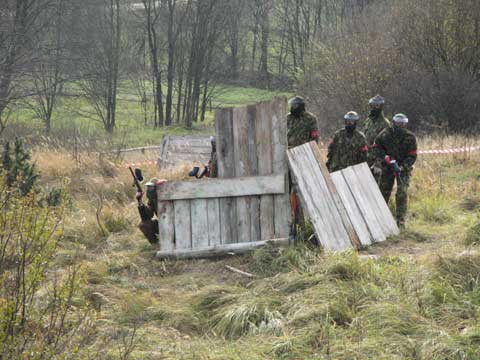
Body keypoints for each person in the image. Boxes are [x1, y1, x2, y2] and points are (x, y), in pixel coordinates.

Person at [372, 113, 417, 228]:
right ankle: (381, 220)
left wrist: (402, 167)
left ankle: (400, 221)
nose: (400, 125)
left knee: (402, 193)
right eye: (398, 123)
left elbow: (412, 156)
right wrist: (385, 157)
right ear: (393, 122)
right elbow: (376, 147)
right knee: (383, 192)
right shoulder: (385, 133)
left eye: (402, 123)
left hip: (403, 169)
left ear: (405, 124)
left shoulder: (410, 137)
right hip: (387, 167)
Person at [286, 96, 320, 240]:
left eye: (295, 106)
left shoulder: (310, 119)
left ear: (301, 106)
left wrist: (309, 157)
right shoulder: (287, 118)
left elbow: (315, 139)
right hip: (287, 157)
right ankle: (289, 225)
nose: (293, 108)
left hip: (303, 157)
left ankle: (303, 226)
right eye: (291, 105)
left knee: (303, 192)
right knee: (287, 191)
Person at [360, 95, 391, 180]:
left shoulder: (385, 123)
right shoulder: (368, 121)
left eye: (376, 105)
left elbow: (386, 146)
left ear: (381, 106)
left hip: (377, 163)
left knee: (375, 188)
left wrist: (378, 163)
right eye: (373, 105)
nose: (374, 108)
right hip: (365, 159)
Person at [136, 178, 166, 244]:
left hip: (177, 226)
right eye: (148, 187)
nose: (149, 189)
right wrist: (140, 201)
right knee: (143, 225)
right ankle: (156, 244)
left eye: (151, 187)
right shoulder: (153, 200)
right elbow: (147, 216)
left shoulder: (170, 197)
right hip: (163, 225)